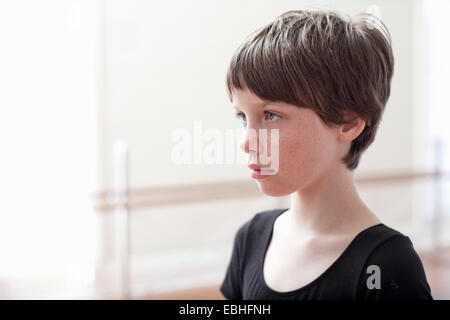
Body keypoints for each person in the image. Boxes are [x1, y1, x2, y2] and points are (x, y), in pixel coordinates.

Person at [220, 9, 433, 300]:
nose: (247, 141)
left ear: (349, 122)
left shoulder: (387, 266)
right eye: (242, 117)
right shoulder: (252, 238)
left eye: (270, 115)